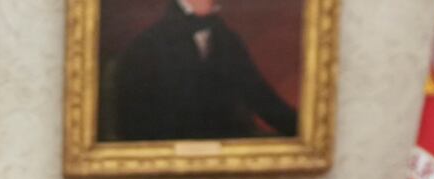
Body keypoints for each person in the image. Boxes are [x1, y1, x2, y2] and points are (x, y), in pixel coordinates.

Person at [110, 0, 298, 142]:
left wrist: (305, 130)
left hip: (224, 147)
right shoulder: (146, 46)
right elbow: (132, 122)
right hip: (167, 152)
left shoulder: (226, 40)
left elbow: (260, 95)